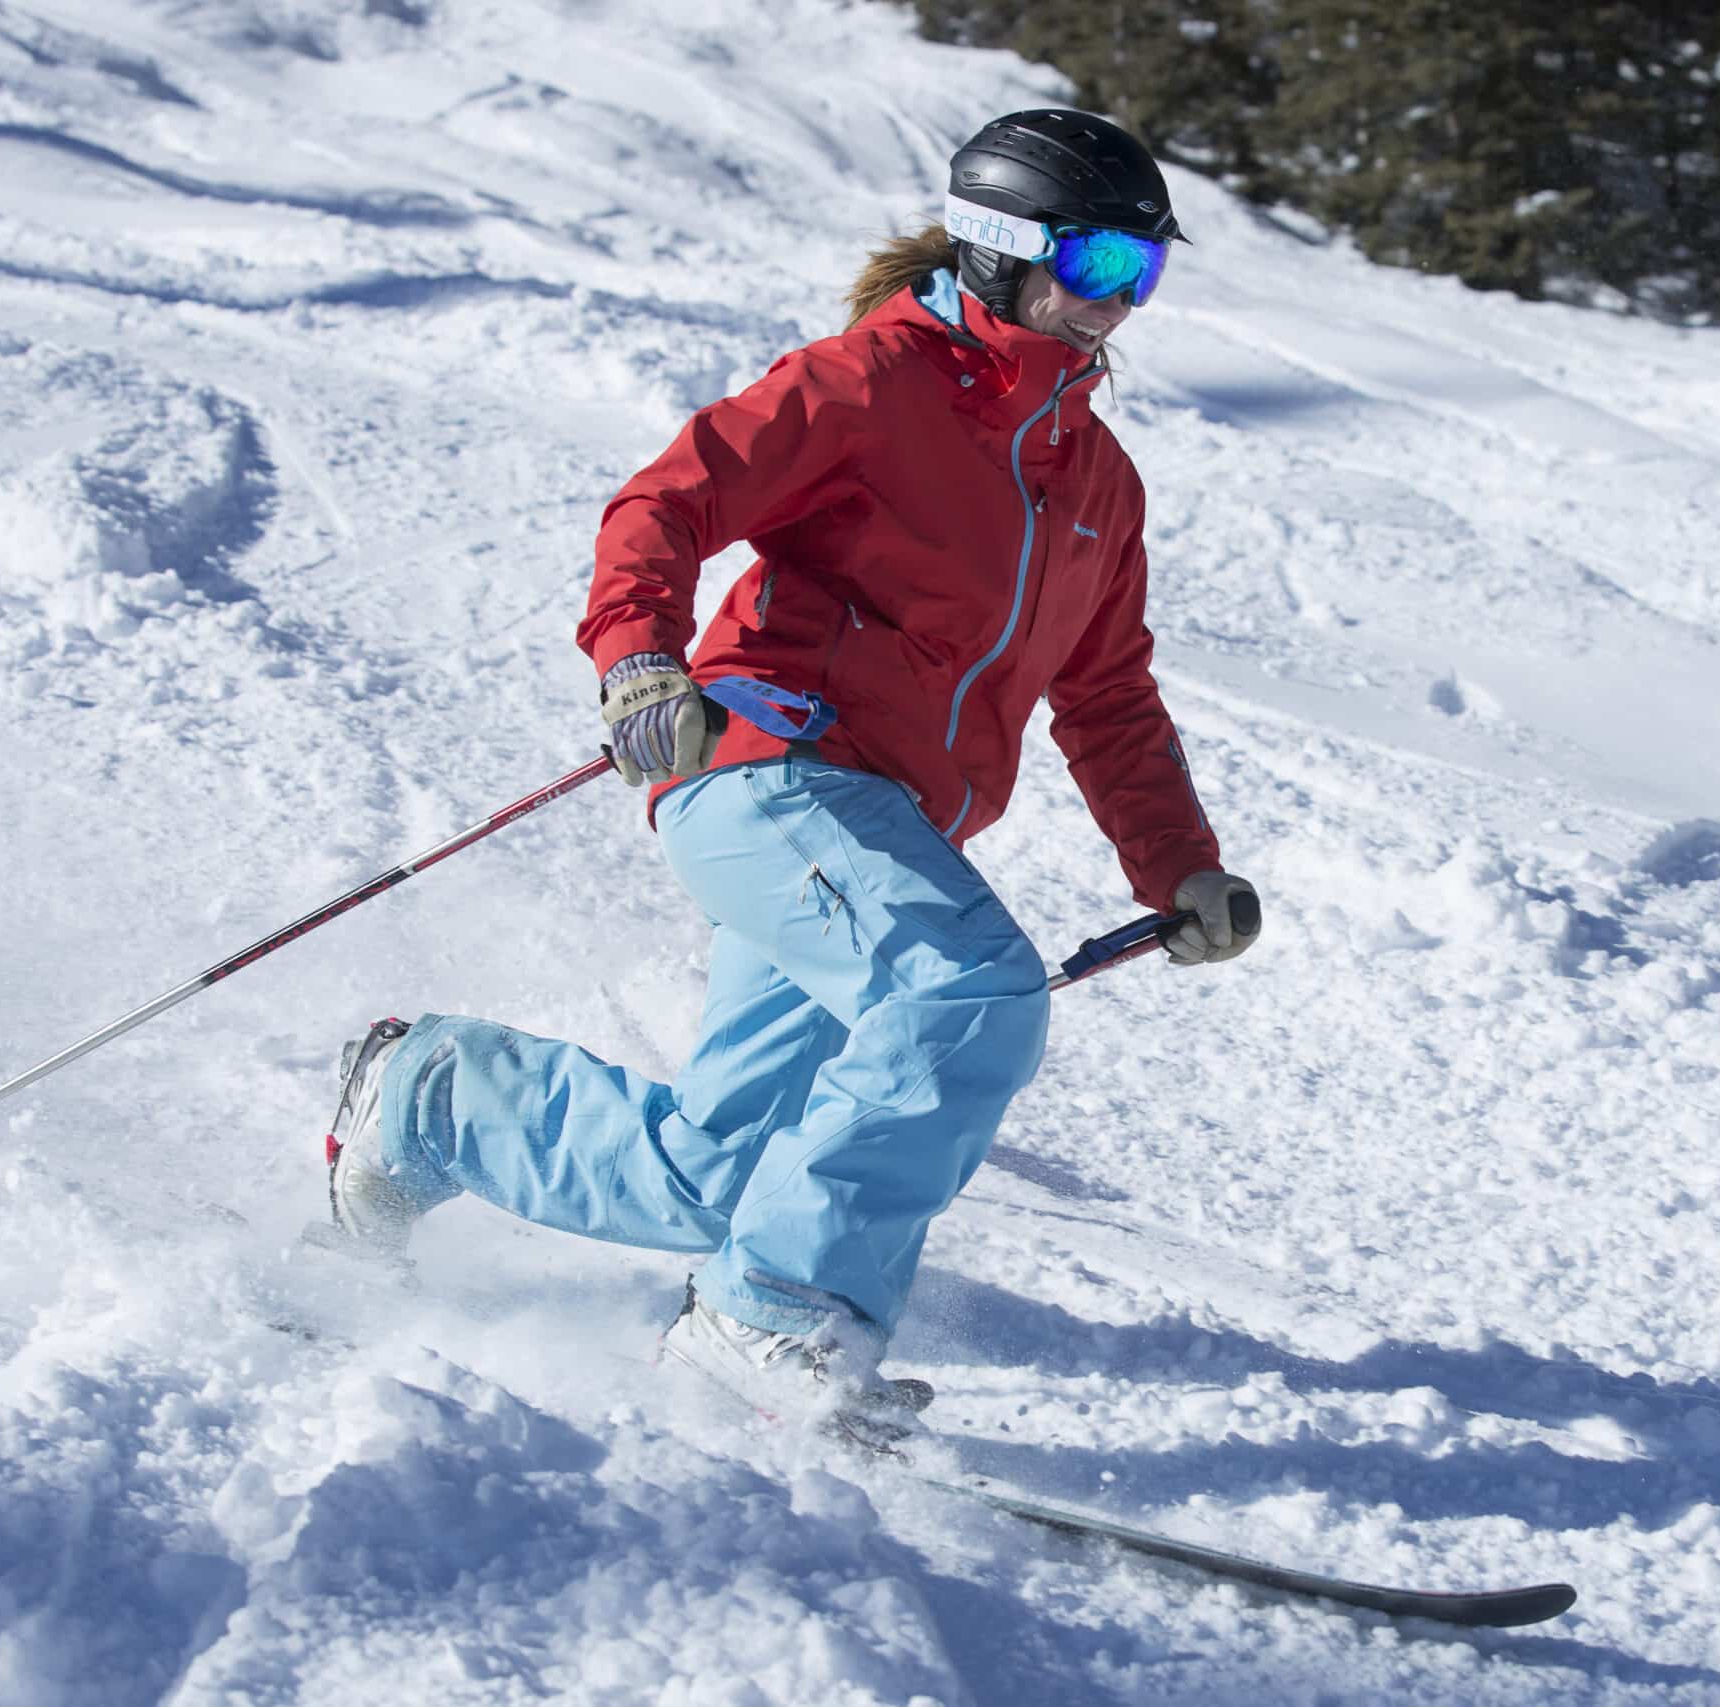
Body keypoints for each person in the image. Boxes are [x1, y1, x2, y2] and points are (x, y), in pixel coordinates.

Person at [314, 109, 1261, 1442]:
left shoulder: (1096, 477)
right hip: (772, 768)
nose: (1121, 304)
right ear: (1000, 249)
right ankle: (771, 1316)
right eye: (1100, 263)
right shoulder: (875, 383)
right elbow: (668, 501)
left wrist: (1182, 869)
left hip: (883, 828)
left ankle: (434, 1098)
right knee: (964, 991)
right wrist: (639, 658)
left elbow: (1104, 695)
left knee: (723, 1172)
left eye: (1145, 275)